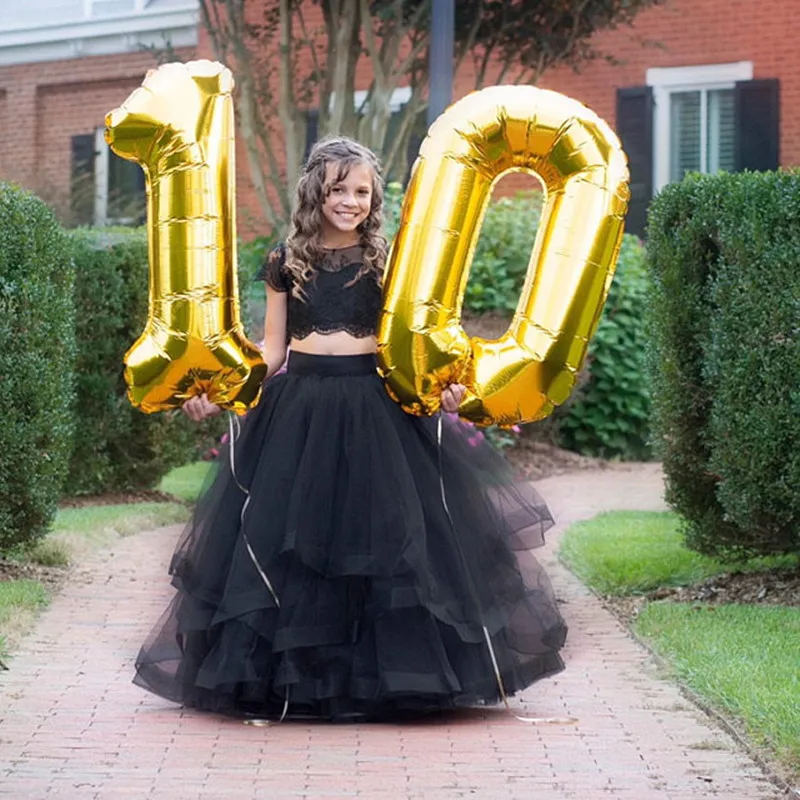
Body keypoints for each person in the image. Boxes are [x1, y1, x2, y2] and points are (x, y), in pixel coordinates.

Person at [134, 136, 567, 723]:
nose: (350, 201)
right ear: (315, 191)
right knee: (299, 542)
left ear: (374, 199)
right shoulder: (286, 261)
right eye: (339, 189)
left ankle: (392, 680)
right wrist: (219, 393)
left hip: (376, 410)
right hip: (299, 411)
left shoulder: (389, 260)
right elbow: (273, 350)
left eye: (362, 191)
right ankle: (303, 681)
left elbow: (416, 339)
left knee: (387, 541)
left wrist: (448, 385)